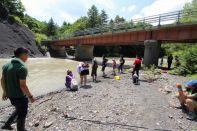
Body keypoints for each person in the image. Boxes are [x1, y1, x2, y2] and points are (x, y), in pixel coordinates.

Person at [1, 47, 36, 131]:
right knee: (22, 114)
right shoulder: (22, 68)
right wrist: (30, 97)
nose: (27, 57)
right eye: (27, 55)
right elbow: (23, 86)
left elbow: (2, 80)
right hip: (19, 97)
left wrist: (5, 92)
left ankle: (7, 125)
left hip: (10, 95)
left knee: (18, 109)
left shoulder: (6, 65)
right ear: (23, 55)